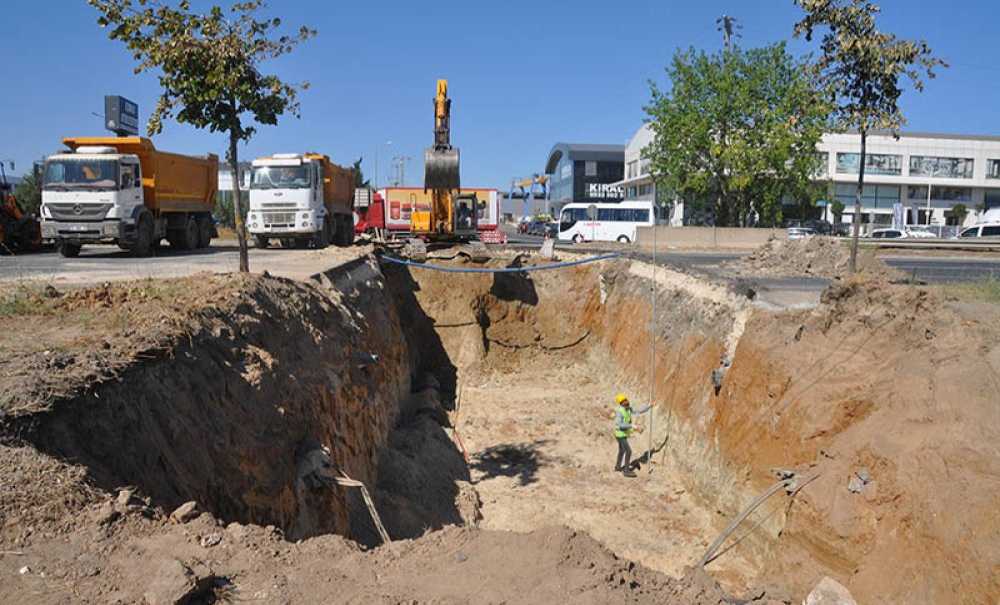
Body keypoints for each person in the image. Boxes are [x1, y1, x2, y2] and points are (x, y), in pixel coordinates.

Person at [613, 393, 650, 478]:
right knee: (628, 451)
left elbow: (638, 411)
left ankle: (617, 467)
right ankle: (626, 471)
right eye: (624, 401)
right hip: (620, 435)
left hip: (623, 434)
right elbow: (620, 425)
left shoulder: (628, 408)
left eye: (626, 400)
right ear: (621, 403)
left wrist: (648, 406)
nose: (626, 402)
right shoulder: (620, 412)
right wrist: (633, 426)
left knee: (622, 451)